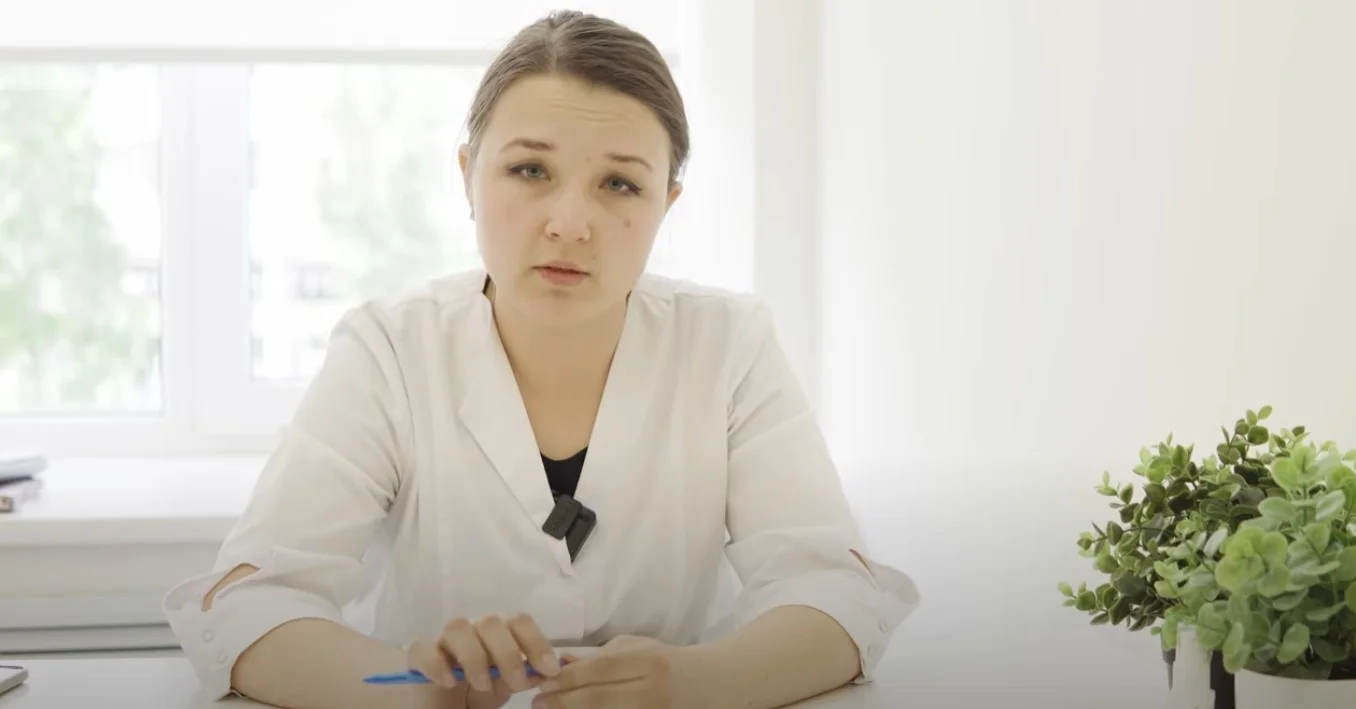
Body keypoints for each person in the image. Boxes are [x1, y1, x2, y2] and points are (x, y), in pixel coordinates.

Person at [163, 9, 919, 709]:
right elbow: (245, 606)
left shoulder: (730, 345)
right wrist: (416, 694)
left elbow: (837, 592)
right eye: (530, 170)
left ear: (666, 204)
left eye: (619, 183)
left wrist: (698, 682)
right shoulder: (389, 349)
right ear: (468, 174)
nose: (569, 224)